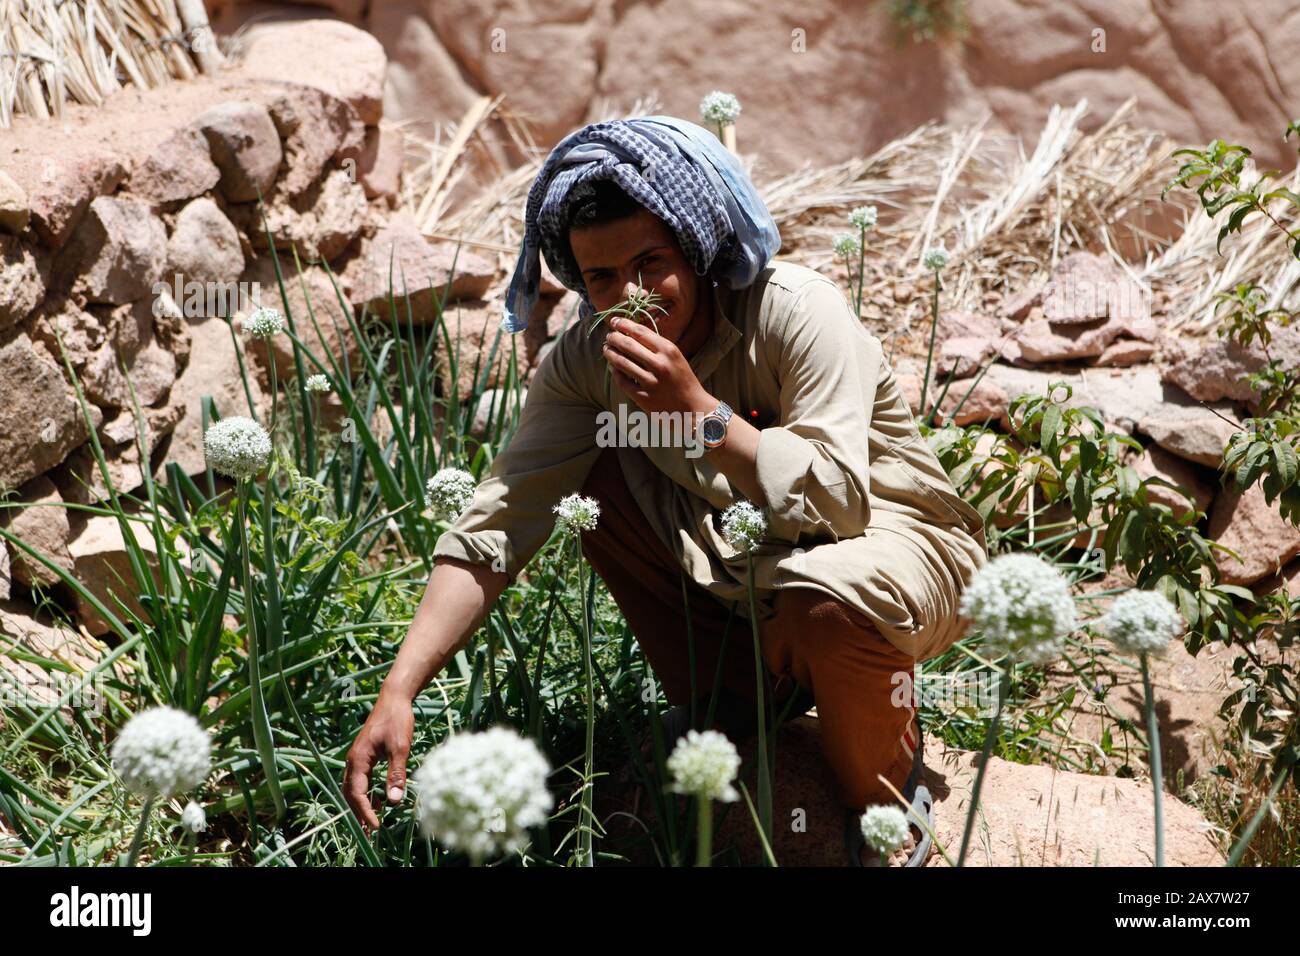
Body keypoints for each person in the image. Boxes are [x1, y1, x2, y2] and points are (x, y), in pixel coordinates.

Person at [343, 116, 988, 866]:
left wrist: (700, 415)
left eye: (651, 263)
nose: (632, 296)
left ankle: (882, 797)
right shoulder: (587, 360)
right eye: (603, 279)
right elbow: (501, 520)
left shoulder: (795, 311)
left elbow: (838, 500)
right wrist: (401, 688)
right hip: (749, 570)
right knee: (590, 480)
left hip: (892, 550)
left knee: (825, 599)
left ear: (698, 248)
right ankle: (737, 706)